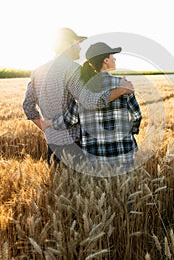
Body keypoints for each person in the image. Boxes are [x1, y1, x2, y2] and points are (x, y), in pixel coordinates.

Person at [22, 28, 134, 166]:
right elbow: (90, 102)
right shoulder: (72, 69)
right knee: (78, 186)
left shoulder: (37, 71)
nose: (80, 47)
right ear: (67, 44)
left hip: (52, 144)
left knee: (57, 186)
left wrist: (46, 127)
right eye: (77, 43)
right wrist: (122, 90)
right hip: (74, 145)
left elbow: (27, 106)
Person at [50, 42, 142, 173]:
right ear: (105, 60)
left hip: (94, 155)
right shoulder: (124, 85)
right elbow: (137, 115)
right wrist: (131, 131)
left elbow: (71, 119)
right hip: (123, 151)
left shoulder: (83, 88)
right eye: (112, 56)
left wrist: (50, 123)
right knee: (123, 191)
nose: (114, 59)